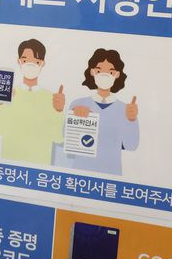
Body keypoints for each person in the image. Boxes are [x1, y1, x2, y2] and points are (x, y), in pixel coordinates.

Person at [53, 48, 139, 176]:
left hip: (111, 175)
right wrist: (69, 116)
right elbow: (64, 139)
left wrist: (131, 121)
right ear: (92, 72)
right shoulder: (78, 104)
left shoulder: (125, 110)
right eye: (99, 70)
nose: (104, 75)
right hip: (80, 173)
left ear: (117, 74)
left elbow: (131, 146)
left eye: (110, 72)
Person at [0, 39, 65, 165]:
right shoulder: (9, 94)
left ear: (42, 63)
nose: (30, 65)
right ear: (19, 61)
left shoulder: (52, 99)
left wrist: (59, 111)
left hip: (39, 164)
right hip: (10, 162)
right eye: (25, 60)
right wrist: (0, 103)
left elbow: (57, 138)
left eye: (36, 61)